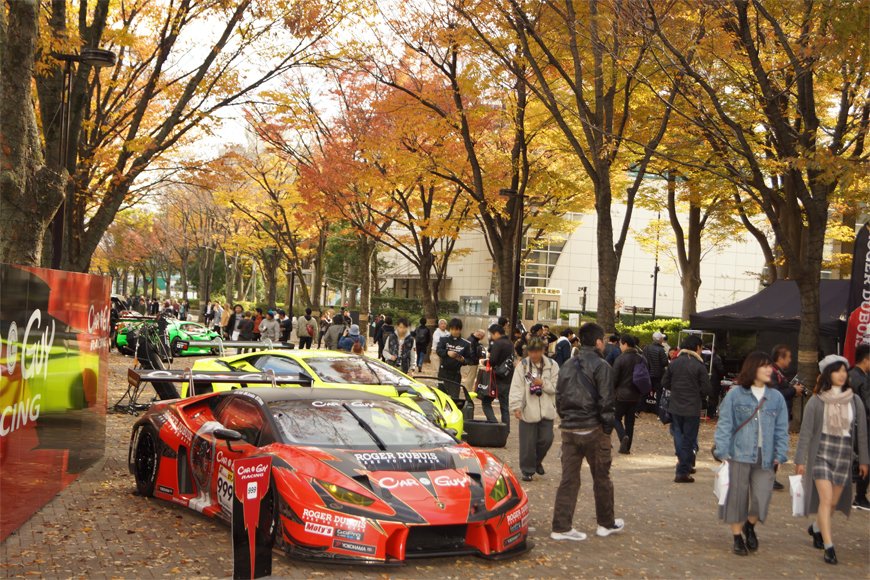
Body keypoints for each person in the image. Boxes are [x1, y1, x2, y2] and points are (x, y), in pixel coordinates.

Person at [550, 322, 622, 542]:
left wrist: (568, 419)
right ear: (599, 341)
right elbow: (607, 402)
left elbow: (559, 398)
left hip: (570, 430)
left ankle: (561, 527)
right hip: (594, 429)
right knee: (602, 477)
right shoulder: (602, 367)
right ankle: (605, 523)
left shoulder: (567, 365)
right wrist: (607, 430)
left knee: (569, 479)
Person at [795, 355, 869, 565]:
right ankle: (829, 547)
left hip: (844, 455)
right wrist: (800, 459)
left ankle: (817, 528)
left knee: (833, 503)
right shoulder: (817, 402)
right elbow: (806, 432)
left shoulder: (855, 401)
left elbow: (862, 433)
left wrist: (864, 460)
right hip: (821, 454)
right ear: (828, 374)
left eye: (844, 370)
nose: (842, 374)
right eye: (837, 370)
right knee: (826, 500)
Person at [713, 352, 789, 556]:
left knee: (761, 497)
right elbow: (725, 423)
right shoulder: (735, 395)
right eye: (764, 366)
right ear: (752, 368)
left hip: (766, 455)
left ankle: (750, 525)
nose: (769, 370)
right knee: (737, 497)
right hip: (739, 453)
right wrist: (721, 449)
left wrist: (780, 454)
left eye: (770, 367)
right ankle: (737, 537)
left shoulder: (776, 397)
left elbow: (782, 428)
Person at [662, 334, 713, 483]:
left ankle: (683, 463)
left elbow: (664, 382)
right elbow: (707, 388)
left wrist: (676, 389)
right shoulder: (699, 365)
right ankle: (682, 471)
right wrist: (698, 393)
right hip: (692, 407)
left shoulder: (674, 363)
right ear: (697, 347)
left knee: (678, 434)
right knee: (689, 439)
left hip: (675, 405)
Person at [509, 337, 558, 481]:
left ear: (543, 351)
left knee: (547, 439)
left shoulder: (553, 365)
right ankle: (527, 470)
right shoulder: (522, 366)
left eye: (537, 352)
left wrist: (543, 383)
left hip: (547, 408)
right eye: (531, 352)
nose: (534, 355)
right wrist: (516, 406)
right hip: (528, 408)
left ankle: (536, 462)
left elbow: (557, 386)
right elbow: (516, 387)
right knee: (527, 443)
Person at [769, 344, 805, 489]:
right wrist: (792, 390)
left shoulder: (777, 373)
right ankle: (769, 478)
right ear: (780, 357)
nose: (790, 361)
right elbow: (775, 394)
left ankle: (771, 477)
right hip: (775, 417)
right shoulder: (772, 372)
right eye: (788, 357)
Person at [612, 334, 647, 455]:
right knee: (630, 422)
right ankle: (626, 448)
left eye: (620, 344)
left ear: (625, 344)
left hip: (621, 395)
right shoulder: (641, 358)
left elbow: (614, 379)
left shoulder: (620, 359)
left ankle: (623, 437)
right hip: (636, 395)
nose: (620, 346)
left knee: (615, 417)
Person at [849, 344, 870, 510]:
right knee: (865, 458)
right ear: (866, 359)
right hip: (862, 424)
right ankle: (860, 496)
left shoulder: (849, 374)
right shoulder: (862, 378)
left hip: (851, 423)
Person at [485, 324, 515, 427]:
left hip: (497, 377)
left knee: (486, 401)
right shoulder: (510, 343)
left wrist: (486, 361)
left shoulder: (498, 343)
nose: (492, 337)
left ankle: (494, 423)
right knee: (504, 406)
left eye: (492, 334)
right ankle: (505, 429)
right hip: (508, 376)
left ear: (497, 333)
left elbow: (493, 361)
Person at [436, 318, 471, 399]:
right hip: (443, 372)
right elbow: (438, 351)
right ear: (450, 329)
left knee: (454, 398)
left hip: (456, 374)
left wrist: (463, 360)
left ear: (460, 330)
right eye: (452, 329)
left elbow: (469, 359)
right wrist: (447, 352)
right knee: (441, 397)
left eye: (457, 329)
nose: (455, 332)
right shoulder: (444, 339)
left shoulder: (465, 344)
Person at [642, 331, 670, 414]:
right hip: (658, 374)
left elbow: (643, 359)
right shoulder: (661, 350)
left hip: (647, 373)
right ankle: (658, 411)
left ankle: (639, 409)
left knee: (645, 391)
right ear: (660, 339)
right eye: (662, 338)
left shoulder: (646, 348)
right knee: (659, 393)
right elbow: (665, 362)